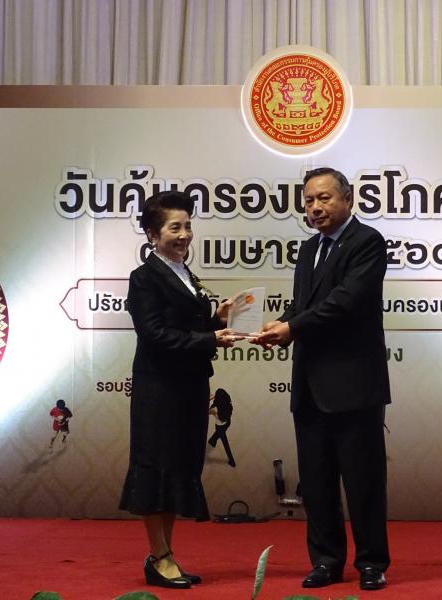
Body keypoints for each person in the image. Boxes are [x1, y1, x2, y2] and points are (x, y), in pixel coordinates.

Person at [253, 167, 391, 591]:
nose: (315, 207)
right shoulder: (309, 248)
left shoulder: (367, 242)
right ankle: (326, 562)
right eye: (309, 200)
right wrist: (281, 323)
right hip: (310, 386)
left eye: (324, 198)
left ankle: (371, 564)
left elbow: (343, 303)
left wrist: (292, 328)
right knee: (316, 483)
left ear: (348, 198)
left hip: (354, 385)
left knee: (363, 482)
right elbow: (305, 305)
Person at [119, 190, 238, 589]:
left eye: (188, 226)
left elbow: (186, 329)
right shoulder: (144, 278)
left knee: (176, 471)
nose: (185, 234)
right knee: (156, 469)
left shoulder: (185, 273)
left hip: (189, 386)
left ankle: (165, 555)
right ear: (153, 234)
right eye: (175, 227)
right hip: (159, 389)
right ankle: (159, 556)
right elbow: (155, 335)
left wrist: (216, 320)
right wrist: (210, 339)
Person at [208, 387, 236, 467]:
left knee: (225, 444)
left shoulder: (215, 409)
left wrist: (209, 399)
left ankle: (232, 461)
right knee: (215, 437)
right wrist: (214, 397)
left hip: (220, 427)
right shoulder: (227, 405)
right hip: (227, 423)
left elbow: (205, 410)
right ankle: (212, 442)